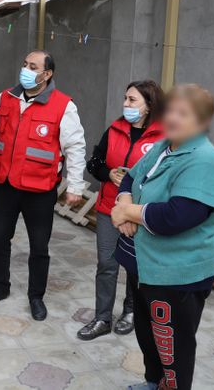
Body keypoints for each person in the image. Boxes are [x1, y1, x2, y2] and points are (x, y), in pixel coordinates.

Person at [111, 84, 214, 390]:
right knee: (148, 334)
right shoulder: (166, 146)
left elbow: (177, 216)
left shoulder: (204, 159)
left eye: (183, 113)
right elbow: (130, 177)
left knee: (172, 346)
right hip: (145, 266)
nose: (173, 118)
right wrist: (124, 202)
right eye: (171, 111)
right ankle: (153, 383)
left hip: (176, 275)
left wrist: (127, 212)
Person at [0, 50, 86, 321]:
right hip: (6, 184)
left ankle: (36, 296)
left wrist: (75, 186)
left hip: (40, 190)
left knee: (39, 246)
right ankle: (0, 287)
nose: (26, 70)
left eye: (33, 67)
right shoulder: (6, 98)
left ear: (47, 74)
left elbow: (75, 147)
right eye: (25, 64)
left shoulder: (63, 106)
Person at [77, 80, 165, 341]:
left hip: (139, 213)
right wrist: (109, 174)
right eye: (125, 98)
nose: (125, 104)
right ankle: (102, 318)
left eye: (132, 100)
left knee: (135, 266)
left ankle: (130, 311)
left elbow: (165, 177)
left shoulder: (162, 137)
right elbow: (94, 163)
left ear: (149, 105)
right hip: (109, 209)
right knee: (107, 264)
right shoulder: (114, 130)